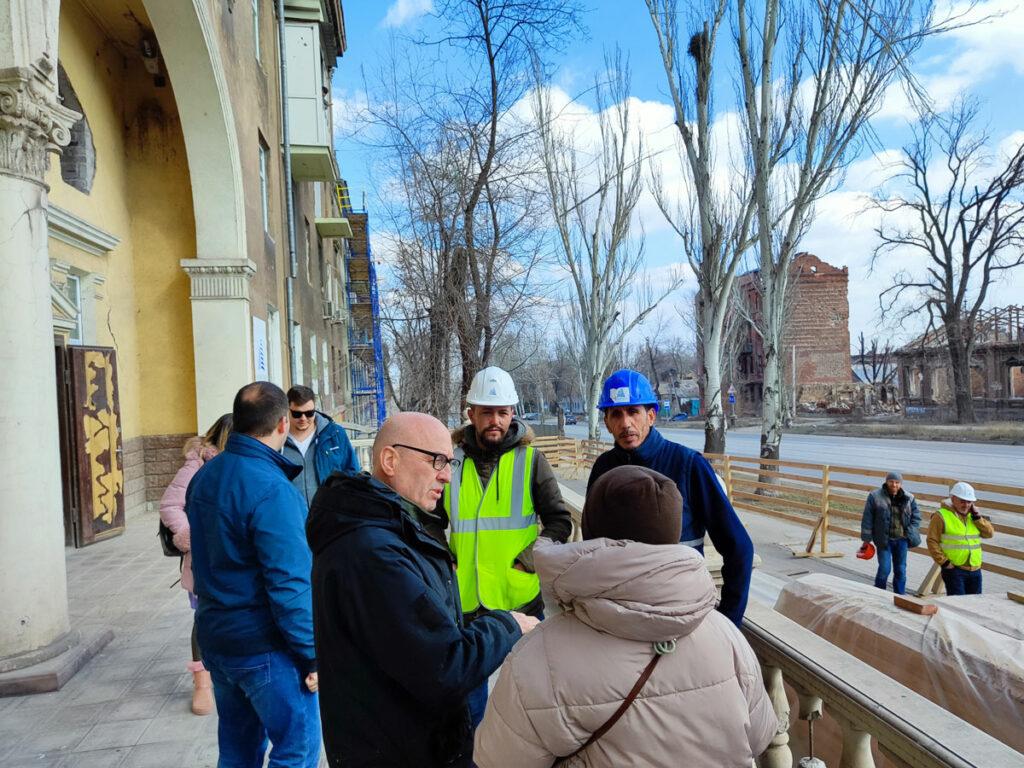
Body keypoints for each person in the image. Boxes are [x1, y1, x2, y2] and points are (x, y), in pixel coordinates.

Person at [474, 465, 777, 767]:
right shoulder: (726, 636)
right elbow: (761, 737)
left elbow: (497, 760)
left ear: (591, 533)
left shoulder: (538, 659)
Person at [306, 412, 537, 768]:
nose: (446, 474)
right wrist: (508, 625)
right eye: (436, 461)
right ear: (389, 460)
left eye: (450, 463)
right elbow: (445, 666)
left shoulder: (389, 528)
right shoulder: (373, 552)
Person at [187, 382, 320, 767]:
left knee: (237, 750)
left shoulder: (207, 476)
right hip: (265, 648)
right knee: (296, 751)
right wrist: (312, 655)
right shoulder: (272, 489)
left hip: (218, 640)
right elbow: (290, 585)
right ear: (282, 424)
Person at [437, 366, 573, 726]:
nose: (494, 421)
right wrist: (443, 556)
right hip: (465, 602)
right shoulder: (451, 462)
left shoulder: (531, 461)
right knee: (469, 709)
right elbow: (430, 518)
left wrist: (528, 560)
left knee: (534, 698)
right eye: (486, 412)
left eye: (502, 412)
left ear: (512, 413)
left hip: (520, 600)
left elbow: (561, 522)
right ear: (471, 414)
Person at [587, 369, 754, 625]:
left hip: (678, 614)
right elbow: (591, 545)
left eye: (633, 412)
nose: (625, 423)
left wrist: (729, 621)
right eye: (616, 414)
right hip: (620, 616)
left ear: (651, 416)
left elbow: (739, 547)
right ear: (607, 422)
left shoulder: (687, 465)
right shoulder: (603, 469)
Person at [158, 413, 232, 716]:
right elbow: (170, 505)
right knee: (204, 616)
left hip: (230, 556)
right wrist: (191, 536)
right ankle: (202, 683)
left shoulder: (237, 465)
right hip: (203, 558)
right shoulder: (197, 465)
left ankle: (227, 670)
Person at [283, 384, 360, 506]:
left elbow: (353, 474)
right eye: (297, 414)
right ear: (287, 410)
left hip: (330, 517)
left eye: (309, 413)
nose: (303, 418)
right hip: (292, 518)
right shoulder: (277, 440)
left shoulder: (335, 434)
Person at [859, 471, 921, 595]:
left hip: (902, 540)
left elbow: (917, 517)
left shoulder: (909, 498)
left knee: (901, 570)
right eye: (891, 481)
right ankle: (879, 593)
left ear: (901, 484)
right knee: (884, 569)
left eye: (897, 482)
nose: (894, 485)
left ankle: (900, 595)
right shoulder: (874, 496)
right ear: (886, 482)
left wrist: (909, 531)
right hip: (883, 540)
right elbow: (867, 518)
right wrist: (866, 539)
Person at [927, 481, 994, 595]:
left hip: (975, 569)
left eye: (969, 502)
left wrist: (978, 517)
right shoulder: (940, 516)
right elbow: (932, 541)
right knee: (957, 605)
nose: (966, 505)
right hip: (954, 570)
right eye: (962, 501)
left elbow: (989, 534)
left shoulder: (973, 516)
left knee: (975, 605)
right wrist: (944, 563)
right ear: (953, 499)